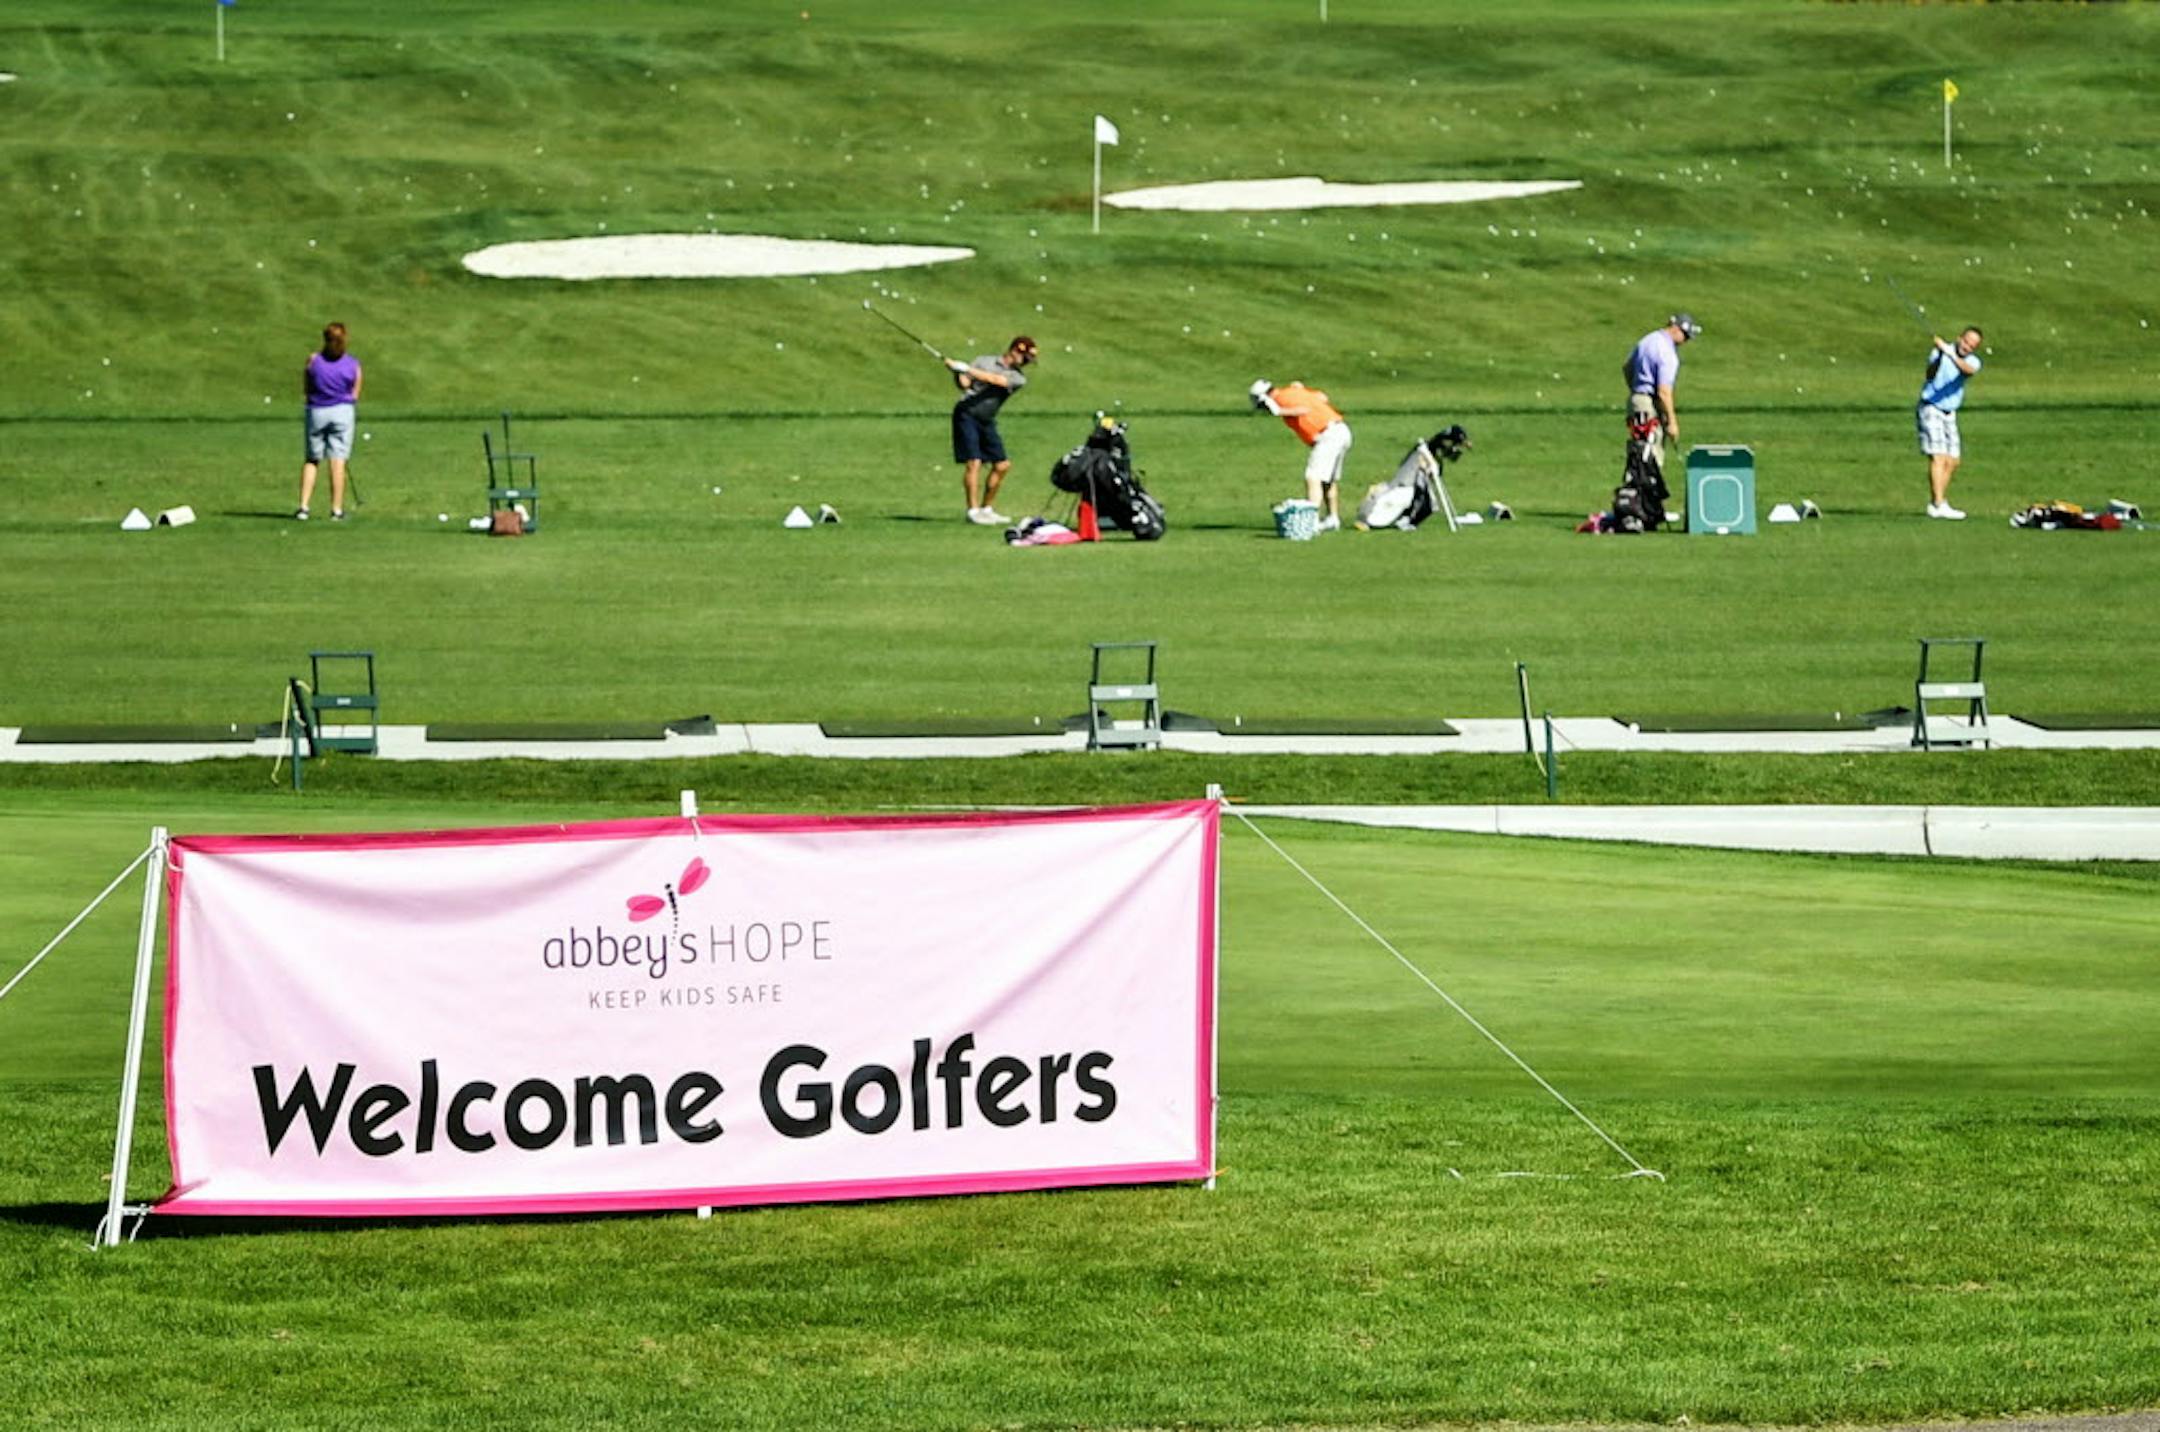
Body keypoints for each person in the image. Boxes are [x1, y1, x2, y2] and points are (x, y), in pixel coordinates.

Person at [949, 336, 1037, 525]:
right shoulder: (983, 361)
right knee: (974, 462)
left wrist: (966, 368)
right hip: (966, 413)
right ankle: (973, 511)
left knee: (1002, 465)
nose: (1027, 364)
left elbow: (996, 380)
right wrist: (957, 372)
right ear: (1015, 350)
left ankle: (986, 509)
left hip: (986, 419)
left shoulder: (1018, 377)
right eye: (1026, 359)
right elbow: (965, 384)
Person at [1249, 378, 1352, 531]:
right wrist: (1302, 391)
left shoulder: (1282, 399)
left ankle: (1311, 522)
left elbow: (1303, 409)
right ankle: (1332, 518)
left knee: (1313, 476)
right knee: (1328, 480)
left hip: (1328, 435)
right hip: (1341, 430)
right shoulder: (1293, 391)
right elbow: (1322, 397)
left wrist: (1279, 411)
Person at [1621, 312, 1699, 491]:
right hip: (1649, 403)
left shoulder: (1647, 340)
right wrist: (1672, 422)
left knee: (1637, 451)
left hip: (1636, 401)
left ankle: (1633, 498)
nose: (1685, 341)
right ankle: (1642, 499)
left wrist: (1636, 390)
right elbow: (1664, 392)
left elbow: (1627, 367)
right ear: (1677, 329)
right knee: (1650, 454)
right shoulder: (1668, 353)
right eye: (1685, 336)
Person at [296, 322, 363, 521]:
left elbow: (307, 388)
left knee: (312, 459)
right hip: (342, 412)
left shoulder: (313, 360)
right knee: (338, 461)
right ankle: (336, 510)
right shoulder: (353, 364)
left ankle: (304, 507)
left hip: (317, 411)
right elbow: (355, 393)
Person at [1917, 326, 1983, 520]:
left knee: (1953, 460)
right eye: (1966, 341)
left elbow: (1966, 370)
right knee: (1938, 457)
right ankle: (1937, 503)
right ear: (1959, 338)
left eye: (1972, 345)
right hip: (1931, 407)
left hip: (1950, 412)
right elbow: (1929, 375)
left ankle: (1938, 502)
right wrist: (1939, 355)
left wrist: (1949, 353)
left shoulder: (1972, 361)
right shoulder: (1940, 352)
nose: (1967, 347)